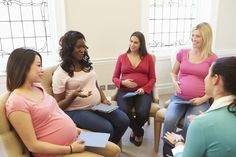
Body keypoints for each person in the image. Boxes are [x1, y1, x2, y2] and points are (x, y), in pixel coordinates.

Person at [5, 48, 121, 157]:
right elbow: (33, 145)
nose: (42, 70)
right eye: (39, 65)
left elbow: (54, 112)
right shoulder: (16, 102)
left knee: (115, 150)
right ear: (24, 68)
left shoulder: (37, 86)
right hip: (60, 150)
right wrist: (70, 149)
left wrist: (75, 129)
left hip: (76, 136)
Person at [52, 31, 129, 145]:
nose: (82, 50)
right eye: (78, 47)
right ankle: (89, 144)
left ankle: (110, 147)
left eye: (84, 46)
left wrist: (103, 98)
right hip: (75, 111)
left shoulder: (86, 65)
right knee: (107, 129)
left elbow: (95, 83)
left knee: (123, 120)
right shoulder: (60, 73)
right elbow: (58, 106)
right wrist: (73, 95)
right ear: (69, 48)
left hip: (96, 106)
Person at [164, 56, 236, 157]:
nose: (205, 78)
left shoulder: (201, 124)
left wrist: (178, 143)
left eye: (207, 74)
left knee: (169, 145)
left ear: (215, 79)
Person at [112, 31, 156, 146]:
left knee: (142, 113)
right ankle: (139, 132)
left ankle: (135, 130)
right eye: (131, 41)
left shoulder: (148, 58)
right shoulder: (122, 57)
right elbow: (114, 78)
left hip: (142, 92)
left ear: (141, 44)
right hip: (125, 91)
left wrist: (144, 89)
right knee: (124, 112)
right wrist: (123, 82)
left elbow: (152, 79)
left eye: (136, 42)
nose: (132, 44)